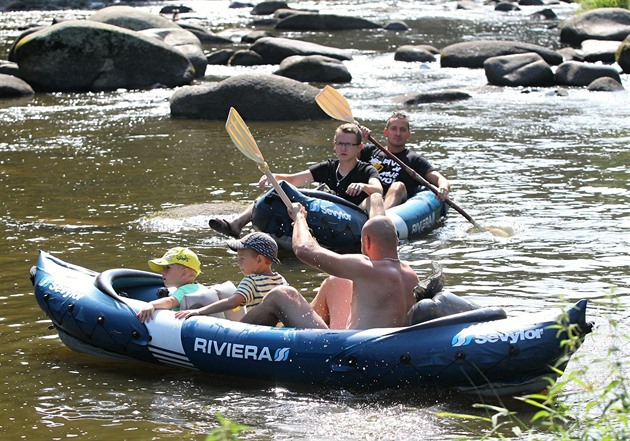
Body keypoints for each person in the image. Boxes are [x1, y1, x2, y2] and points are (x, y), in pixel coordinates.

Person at [240, 193, 419, 329]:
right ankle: (290, 329)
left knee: (280, 294)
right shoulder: (411, 274)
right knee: (337, 281)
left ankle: (230, 336)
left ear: (367, 242)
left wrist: (299, 217)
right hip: (387, 347)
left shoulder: (365, 268)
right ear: (395, 241)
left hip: (353, 350)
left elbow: (304, 250)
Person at [208, 123, 383, 238]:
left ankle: (380, 238)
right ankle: (236, 224)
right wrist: (274, 176)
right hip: (326, 216)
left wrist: (364, 186)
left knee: (374, 198)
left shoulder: (365, 169)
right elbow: (295, 180)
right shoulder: (328, 167)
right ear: (334, 144)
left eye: (349, 144)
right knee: (277, 188)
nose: (343, 148)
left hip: (353, 217)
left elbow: (378, 190)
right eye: (340, 143)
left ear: (359, 147)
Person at [175, 232, 287, 319]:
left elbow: (232, 302)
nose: (238, 263)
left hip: (257, 330)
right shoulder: (281, 280)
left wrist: (199, 311)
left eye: (242, 259)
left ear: (259, 260)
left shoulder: (251, 281)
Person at [360, 112, 451, 210]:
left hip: (395, 204)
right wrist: (359, 135)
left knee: (398, 186)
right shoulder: (369, 151)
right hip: (369, 198)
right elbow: (347, 154)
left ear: (409, 134)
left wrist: (443, 187)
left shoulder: (414, 159)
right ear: (386, 132)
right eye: (394, 129)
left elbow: (440, 179)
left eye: (402, 130)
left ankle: (382, 217)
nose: (398, 133)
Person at [136, 247, 204, 323]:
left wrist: (151, 304)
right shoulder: (197, 287)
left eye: (167, 267)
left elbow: (171, 301)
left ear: (184, 273)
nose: (162, 271)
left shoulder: (184, 290)